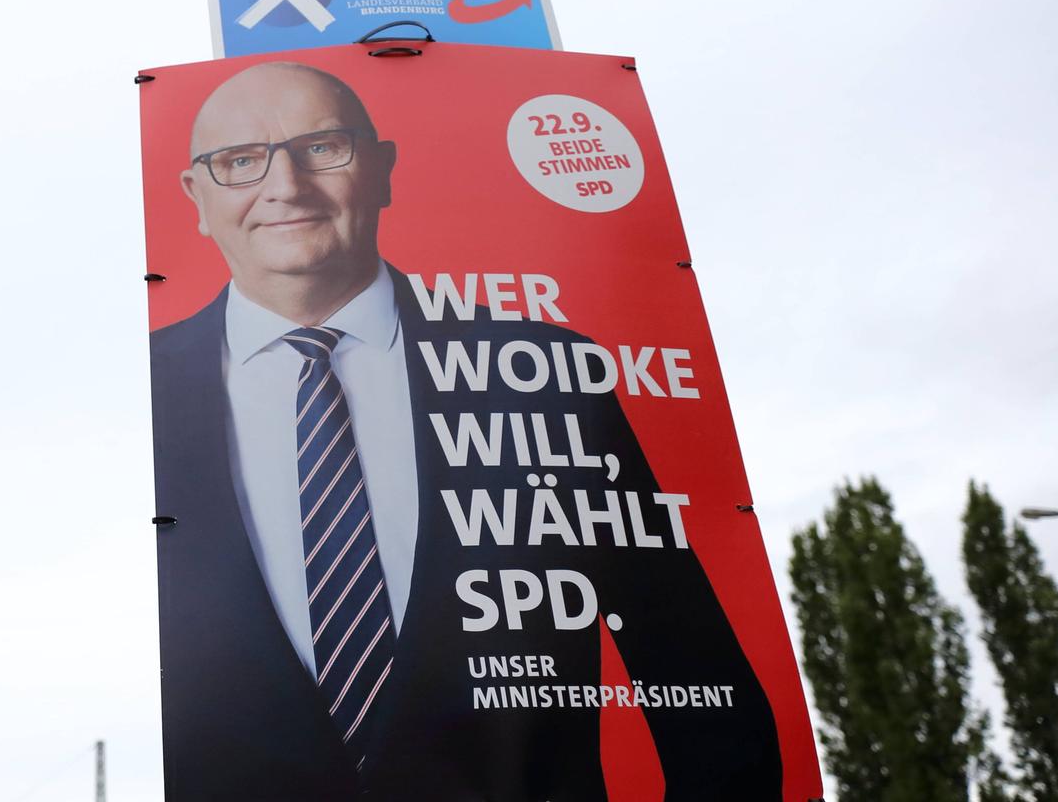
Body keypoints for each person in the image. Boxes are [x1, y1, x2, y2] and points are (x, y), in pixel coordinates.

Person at [148, 61, 781, 801]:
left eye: (323, 147)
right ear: (197, 197)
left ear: (382, 169)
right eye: (240, 161)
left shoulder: (546, 371)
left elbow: (704, 699)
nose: (286, 185)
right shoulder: (142, 390)